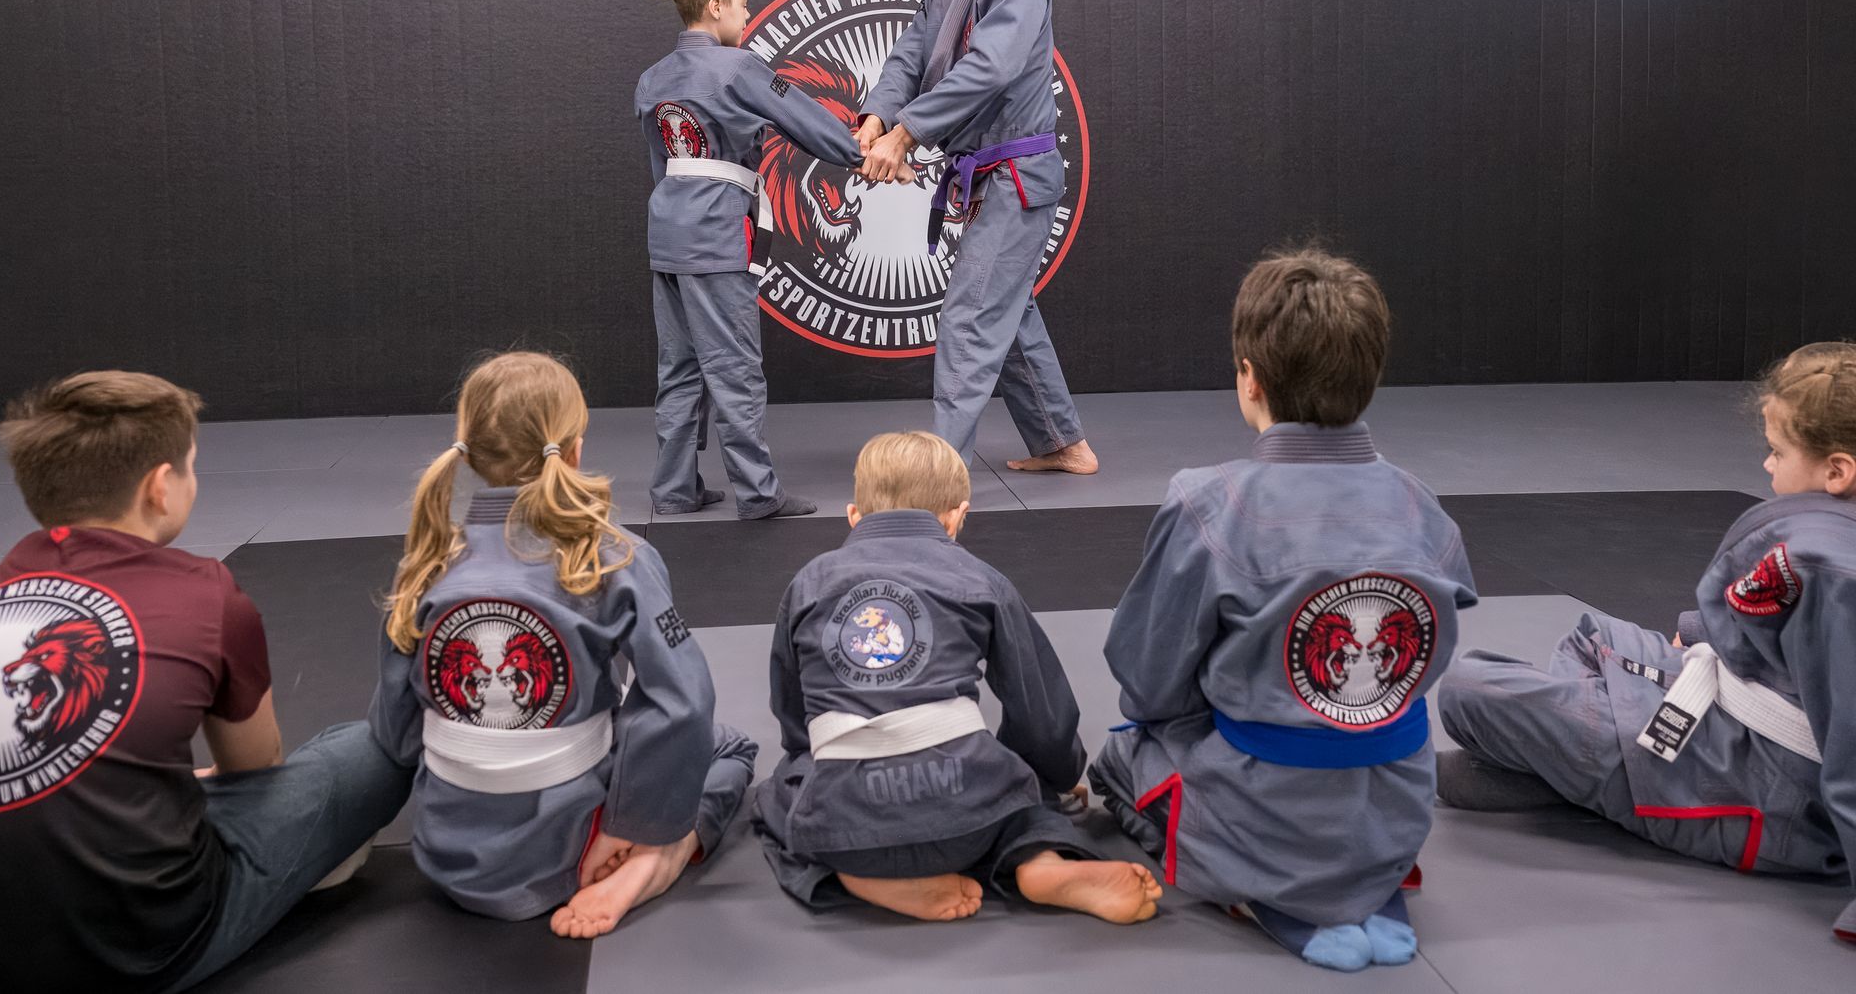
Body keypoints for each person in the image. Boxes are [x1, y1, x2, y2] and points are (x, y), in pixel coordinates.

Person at [0, 372, 410, 991]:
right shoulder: (205, 591)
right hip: (140, 953)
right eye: (189, 466)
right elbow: (255, 768)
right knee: (369, 752)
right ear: (160, 487)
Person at [1089, 249, 1478, 971]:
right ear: (1370, 375)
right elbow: (1430, 656)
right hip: (1391, 814)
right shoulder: (1421, 506)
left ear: (1249, 376)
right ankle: (1365, 886)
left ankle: (1264, 892)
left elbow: (1146, 676)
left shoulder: (1210, 504)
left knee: (1123, 756)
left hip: (1260, 816)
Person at [1438, 341, 1856, 946]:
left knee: (1467, 691)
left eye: (1777, 452)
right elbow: (1771, 635)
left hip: (1758, 791)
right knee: (1592, 635)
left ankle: (1582, 772)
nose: (1767, 467)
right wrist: (1694, 634)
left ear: (1836, 471)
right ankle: (1579, 766)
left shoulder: (1837, 579)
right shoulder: (1830, 556)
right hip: (1733, 720)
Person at [370, 351, 756, 937]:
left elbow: (397, 733)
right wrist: (631, 821)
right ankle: (658, 855)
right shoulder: (612, 556)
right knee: (729, 747)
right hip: (575, 853)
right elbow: (683, 702)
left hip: (446, 855)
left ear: (465, 447)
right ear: (573, 449)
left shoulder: (427, 559)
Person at [754, 430, 1160, 924]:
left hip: (847, 821)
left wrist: (809, 759)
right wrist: (1051, 777)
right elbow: (1041, 712)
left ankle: (848, 874)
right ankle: (1039, 859)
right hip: (967, 807)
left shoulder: (808, 582)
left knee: (778, 791)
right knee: (1015, 796)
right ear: (955, 518)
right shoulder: (980, 578)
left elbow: (792, 706)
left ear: (854, 517)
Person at [638, 0, 910, 519]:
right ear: (715, 7)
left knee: (680, 368)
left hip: (666, 231)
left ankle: (673, 489)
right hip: (715, 233)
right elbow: (808, 122)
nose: (747, 12)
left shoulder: (652, 78)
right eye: (741, 2)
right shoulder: (739, 68)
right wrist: (866, 154)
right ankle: (759, 493)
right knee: (734, 366)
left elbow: (660, 163)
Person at [854, 0, 1097, 476]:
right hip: (986, 178)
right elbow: (910, 57)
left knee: (970, 316)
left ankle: (943, 474)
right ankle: (1063, 443)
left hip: (1018, 173)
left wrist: (908, 132)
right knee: (1008, 311)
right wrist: (877, 117)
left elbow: (985, 70)